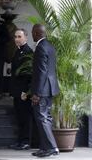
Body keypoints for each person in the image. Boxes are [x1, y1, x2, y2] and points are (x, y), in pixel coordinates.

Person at [30, 24, 60, 158]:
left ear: (36, 33)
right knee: (45, 117)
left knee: (42, 118)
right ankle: (44, 148)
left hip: (43, 90)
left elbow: (41, 72)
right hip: (50, 88)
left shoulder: (41, 47)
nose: (32, 34)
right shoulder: (49, 45)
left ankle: (52, 147)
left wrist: (36, 93)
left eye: (32, 32)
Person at [9, 28, 33, 150]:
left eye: (19, 36)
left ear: (25, 37)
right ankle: (20, 141)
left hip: (23, 92)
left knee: (25, 117)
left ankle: (26, 141)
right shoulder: (17, 51)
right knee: (19, 117)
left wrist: (26, 91)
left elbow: (29, 74)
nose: (16, 39)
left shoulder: (28, 52)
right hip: (17, 91)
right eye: (15, 37)